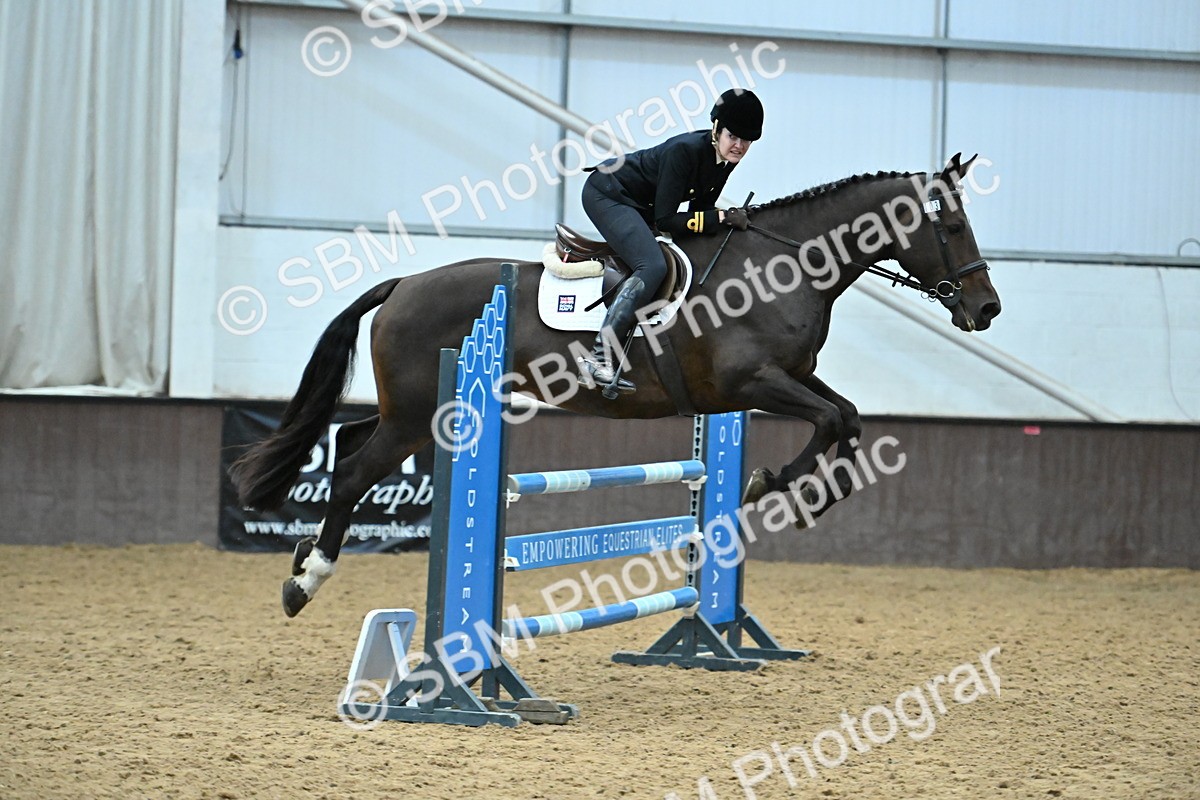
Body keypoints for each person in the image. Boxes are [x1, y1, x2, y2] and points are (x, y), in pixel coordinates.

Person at [578, 88, 764, 394]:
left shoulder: (725, 161)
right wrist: (720, 218)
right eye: (734, 137)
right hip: (608, 193)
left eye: (747, 141)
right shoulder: (685, 151)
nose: (740, 146)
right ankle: (600, 358)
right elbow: (667, 221)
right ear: (716, 129)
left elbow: (695, 216)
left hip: (640, 207)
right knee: (651, 265)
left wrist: (726, 220)